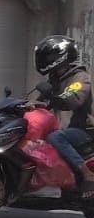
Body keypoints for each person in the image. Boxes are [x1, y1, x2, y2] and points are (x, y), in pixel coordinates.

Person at [29, 34, 94, 193]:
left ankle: (87, 173)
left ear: (61, 57)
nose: (45, 59)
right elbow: (41, 99)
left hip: (87, 130)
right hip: (75, 128)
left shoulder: (80, 78)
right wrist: (26, 105)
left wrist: (50, 102)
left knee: (55, 137)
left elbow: (70, 99)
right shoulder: (56, 78)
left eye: (49, 56)